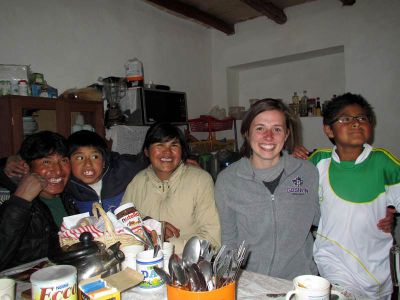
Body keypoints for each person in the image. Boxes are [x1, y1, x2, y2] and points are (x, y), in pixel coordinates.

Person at [215, 98, 320, 280]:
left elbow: (328, 218)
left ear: (286, 135)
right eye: (260, 128)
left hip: (301, 280)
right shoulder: (228, 180)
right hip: (251, 281)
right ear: (247, 133)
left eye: (277, 129)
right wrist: (226, 282)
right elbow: (229, 240)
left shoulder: (308, 172)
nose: (268, 136)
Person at [308, 93, 400, 299]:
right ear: (328, 129)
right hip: (334, 259)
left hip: (379, 265)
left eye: (362, 118)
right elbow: (290, 186)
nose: (356, 124)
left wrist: (390, 210)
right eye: (345, 119)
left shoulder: (383, 161)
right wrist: (293, 155)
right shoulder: (318, 160)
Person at [121, 122, 221, 254]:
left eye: (174, 145)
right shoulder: (137, 182)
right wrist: (150, 225)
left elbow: (212, 240)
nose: (167, 152)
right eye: (159, 145)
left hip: (188, 266)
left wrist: (163, 244)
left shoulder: (200, 180)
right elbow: (121, 228)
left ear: (182, 151)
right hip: (145, 264)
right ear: (146, 151)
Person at [0, 131, 73, 270]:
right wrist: (20, 201)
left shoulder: (71, 196)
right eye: (46, 162)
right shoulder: (10, 201)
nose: (58, 171)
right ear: (26, 167)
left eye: (63, 161)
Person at [65, 130, 148, 213]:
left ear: (104, 161)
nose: (88, 164)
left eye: (95, 157)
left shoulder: (124, 168)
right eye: (80, 158)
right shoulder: (66, 184)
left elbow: (147, 158)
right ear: (68, 162)